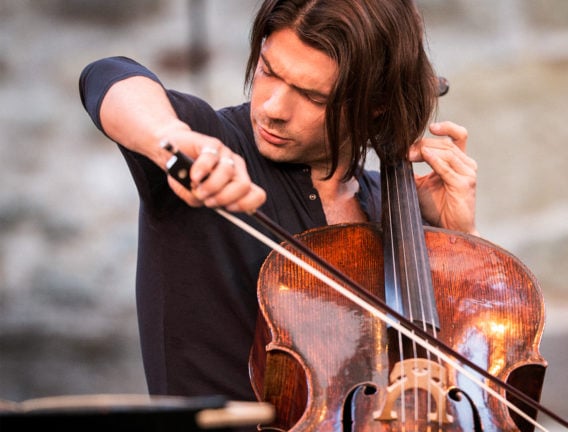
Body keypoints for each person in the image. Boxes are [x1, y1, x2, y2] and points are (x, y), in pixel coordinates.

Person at [79, 0, 477, 416]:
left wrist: (460, 246)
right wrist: (170, 138)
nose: (273, 109)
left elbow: (449, 391)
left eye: (312, 96)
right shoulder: (212, 149)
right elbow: (107, 76)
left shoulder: (391, 210)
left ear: (375, 103)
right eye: (268, 70)